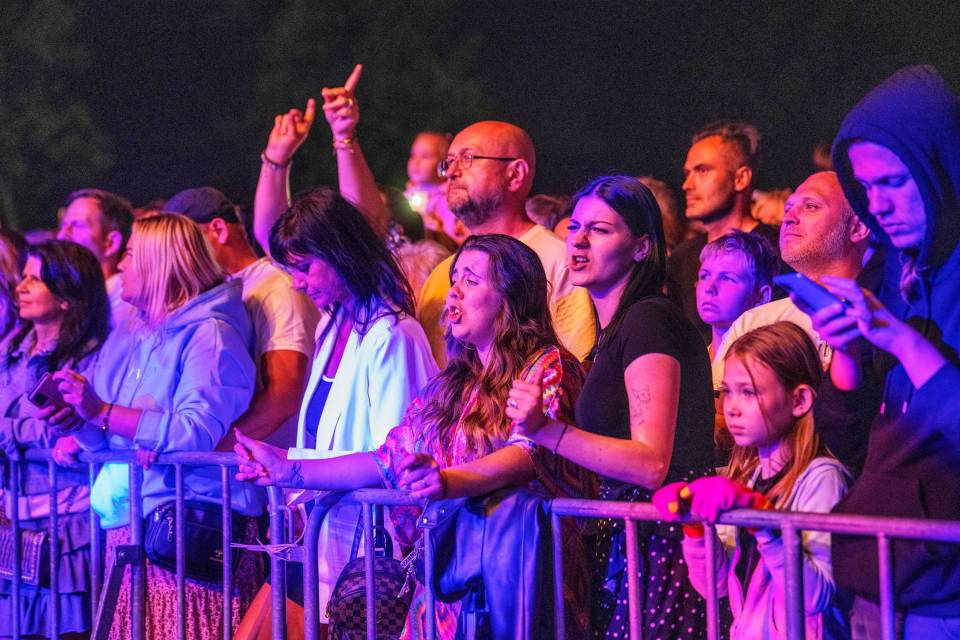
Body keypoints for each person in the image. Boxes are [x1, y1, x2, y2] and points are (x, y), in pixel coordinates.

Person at [236, 233, 592, 640]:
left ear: (512, 295)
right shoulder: (453, 383)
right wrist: (287, 468)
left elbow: (529, 453)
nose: (454, 292)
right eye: (454, 279)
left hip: (519, 579)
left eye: (471, 280)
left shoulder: (548, 367)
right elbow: (384, 459)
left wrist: (447, 481)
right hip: (449, 581)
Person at [253, 65, 596, 366]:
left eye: (469, 159)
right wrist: (336, 140)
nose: (452, 172)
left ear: (515, 173)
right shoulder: (442, 275)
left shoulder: (556, 260)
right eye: (449, 162)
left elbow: (571, 374)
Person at [508, 175, 715, 639]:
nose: (578, 239)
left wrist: (546, 430)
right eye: (574, 226)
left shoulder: (649, 320)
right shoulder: (615, 332)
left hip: (662, 546)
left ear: (642, 248)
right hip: (631, 540)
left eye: (600, 230)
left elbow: (651, 463)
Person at [47, 213, 262, 640]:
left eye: (130, 254)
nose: (120, 265)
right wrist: (80, 420)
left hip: (193, 534)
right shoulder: (135, 332)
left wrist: (103, 411)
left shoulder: (212, 335)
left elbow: (195, 433)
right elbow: (113, 437)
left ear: (159, 264)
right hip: (137, 530)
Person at [808, 65, 960, 638]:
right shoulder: (899, 272)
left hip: (945, 596)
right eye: (866, 188)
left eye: (893, 183)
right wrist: (848, 354)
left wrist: (900, 340)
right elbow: (856, 446)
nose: (878, 205)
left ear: (940, 166)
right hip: (881, 578)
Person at [267, 186, 437, 631]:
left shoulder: (393, 336)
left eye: (305, 267)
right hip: (331, 537)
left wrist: (289, 468)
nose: (296, 282)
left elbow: (394, 460)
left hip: (376, 551)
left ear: (341, 253)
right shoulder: (330, 326)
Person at [653, 322, 850, 640]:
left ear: (799, 400)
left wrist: (763, 521)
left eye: (748, 392)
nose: (731, 408)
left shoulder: (822, 478)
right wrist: (694, 527)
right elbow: (715, 585)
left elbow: (815, 598)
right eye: (728, 391)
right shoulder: (750, 476)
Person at [713, 171, 877, 471]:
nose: (789, 218)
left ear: (857, 227)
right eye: (788, 208)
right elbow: (721, 423)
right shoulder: (754, 322)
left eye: (810, 206)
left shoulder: (883, 320)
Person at [0, 241, 109, 638]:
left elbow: (63, 428)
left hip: (68, 525)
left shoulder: (90, 360)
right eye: (23, 277)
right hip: (13, 522)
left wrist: (8, 433)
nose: (21, 287)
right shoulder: (12, 350)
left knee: (65, 629)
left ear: (66, 296)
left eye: (35, 279)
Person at [164, 186, 319, 448]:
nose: (173, 257)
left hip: (277, 464)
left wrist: (210, 451)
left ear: (218, 229)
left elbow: (283, 397)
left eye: (182, 242)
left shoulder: (277, 288)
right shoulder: (225, 292)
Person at [667, 121, 784, 343]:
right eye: (687, 173)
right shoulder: (682, 258)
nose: (687, 185)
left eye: (702, 170)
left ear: (741, 178)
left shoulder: (777, 252)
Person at [56, 189, 134, 320]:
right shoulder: (75, 301)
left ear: (111, 243)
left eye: (77, 225)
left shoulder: (125, 305)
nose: (61, 236)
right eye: (63, 226)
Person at [696, 230, 777, 357]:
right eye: (705, 276)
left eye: (727, 278)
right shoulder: (694, 361)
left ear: (762, 296)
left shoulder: (765, 362)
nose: (710, 288)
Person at [404, 131, 466, 248]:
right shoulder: (408, 195)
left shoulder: (447, 199)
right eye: (413, 155)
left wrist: (437, 229)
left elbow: (452, 240)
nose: (416, 162)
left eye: (425, 156)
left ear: (442, 164)